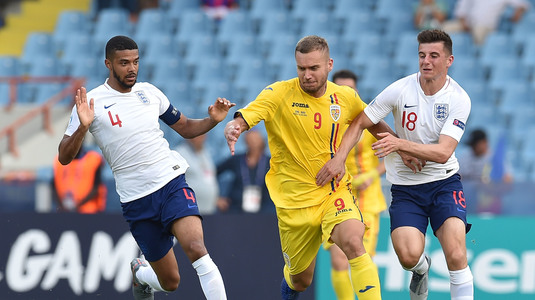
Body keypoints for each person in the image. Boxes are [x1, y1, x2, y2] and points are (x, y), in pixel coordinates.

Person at [57, 35, 233, 300]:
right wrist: (83, 126)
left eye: (136, 62)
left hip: (171, 182)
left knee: (197, 248)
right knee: (171, 281)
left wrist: (212, 120)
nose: (132, 69)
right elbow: (64, 156)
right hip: (136, 200)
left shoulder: (149, 92)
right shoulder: (91, 103)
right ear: (108, 64)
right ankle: (140, 273)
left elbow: (184, 127)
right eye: (124, 63)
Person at [224, 35, 391, 300]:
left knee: (353, 242)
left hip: (333, 192)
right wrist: (236, 126)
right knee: (301, 279)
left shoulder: (345, 97)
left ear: (329, 65)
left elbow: (372, 123)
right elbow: (248, 114)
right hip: (294, 202)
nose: (307, 75)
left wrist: (401, 147)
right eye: (301, 68)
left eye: (314, 68)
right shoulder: (278, 93)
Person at [316, 29, 473, 300]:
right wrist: (339, 158)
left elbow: (444, 152)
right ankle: (421, 270)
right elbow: (362, 120)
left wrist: (399, 144)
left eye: (434, 56)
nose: (426, 61)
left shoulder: (459, 99)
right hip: (406, 189)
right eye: (422, 55)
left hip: (444, 183)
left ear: (449, 60)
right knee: (408, 256)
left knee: (457, 254)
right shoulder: (400, 89)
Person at [327, 70, 387, 300]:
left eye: (350, 90)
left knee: (362, 258)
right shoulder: (326, 123)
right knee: (338, 259)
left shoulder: (369, 120)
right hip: (337, 198)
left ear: (356, 92)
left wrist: (372, 174)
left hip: (368, 200)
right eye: (341, 89)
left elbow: (391, 157)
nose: (346, 94)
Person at [216, 129, 273, 214]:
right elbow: (212, 173)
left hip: (264, 211)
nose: (253, 142)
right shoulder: (237, 159)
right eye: (250, 139)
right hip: (235, 210)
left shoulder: (271, 163)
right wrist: (216, 198)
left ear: (262, 141)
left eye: (255, 139)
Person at [442, 0, 530, 45]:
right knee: (445, 28)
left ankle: (477, 56)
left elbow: (524, 4)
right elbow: (461, 11)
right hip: (467, 23)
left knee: (478, 31)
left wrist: (518, 12)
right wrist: (464, 23)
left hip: (486, 26)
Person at [52, 144, 107, 213]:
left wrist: (77, 205)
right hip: (64, 211)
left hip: (88, 212)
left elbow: (96, 188)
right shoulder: (58, 160)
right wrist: (62, 206)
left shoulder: (93, 159)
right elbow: (53, 187)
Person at [175, 134, 219, 215]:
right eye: (198, 134)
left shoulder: (205, 153)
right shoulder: (179, 154)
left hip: (208, 210)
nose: (202, 138)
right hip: (189, 211)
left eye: (203, 135)